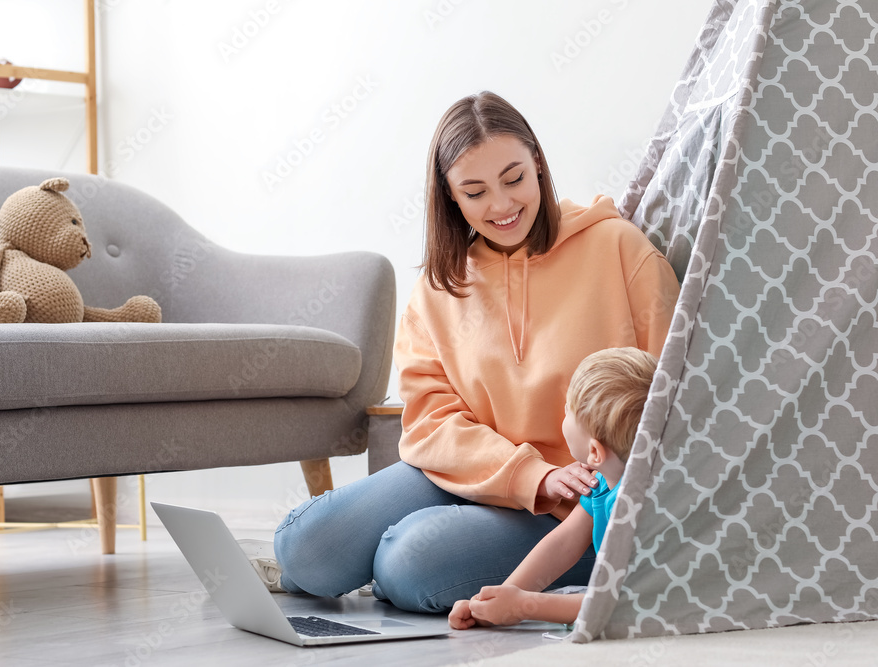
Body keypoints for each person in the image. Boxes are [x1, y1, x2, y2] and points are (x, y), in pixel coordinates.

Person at [272, 91, 680, 613]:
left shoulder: (619, 249)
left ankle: (418, 560)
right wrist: (528, 474)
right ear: (451, 198)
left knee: (408, 564)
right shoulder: (439, 289)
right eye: (476, 191)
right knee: (306, 549)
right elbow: (431, 421)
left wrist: (568, 479)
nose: (503, 206)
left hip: (575, 506)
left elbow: (674, 392)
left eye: (514, 179)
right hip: (468, 475)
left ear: (537, 163)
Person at [449, 347, 657, 629]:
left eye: (568, 410)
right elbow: (562, 544)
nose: (563, 411)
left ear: (595, 451)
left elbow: (623, 602)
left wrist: (523, 606)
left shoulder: (639, 505)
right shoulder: (602, 483)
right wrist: (498, 600)